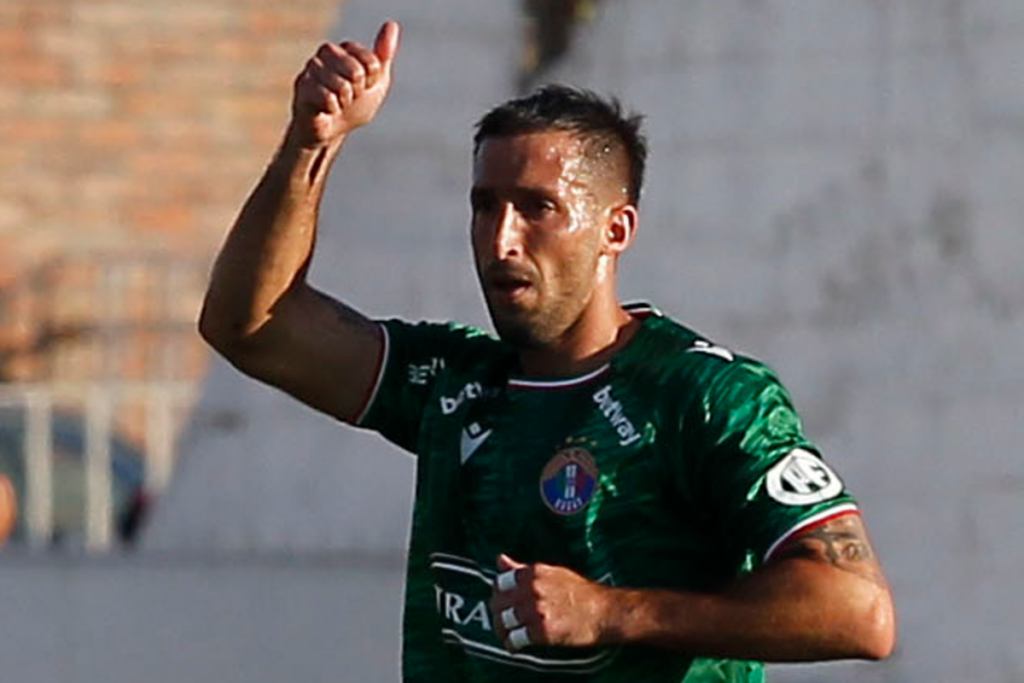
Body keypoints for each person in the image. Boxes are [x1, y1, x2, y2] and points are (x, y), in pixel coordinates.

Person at [199, 20, 896, 682]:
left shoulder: (703, 396)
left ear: (615, 229)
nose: (501, 238)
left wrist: (612, 612)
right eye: (484, 205)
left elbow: (858, 610)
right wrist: (311, 140)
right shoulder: (452, 383)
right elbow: (250, 326)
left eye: (537, 208)